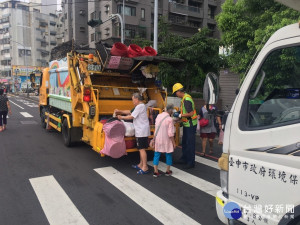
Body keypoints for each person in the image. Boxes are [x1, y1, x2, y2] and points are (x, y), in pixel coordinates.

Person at [115, 93, 150, 174]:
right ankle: (141, 164)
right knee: (141, 148)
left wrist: (121, 117)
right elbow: (130, 112)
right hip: (142, 130)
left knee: (141, 149)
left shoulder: (139, 107)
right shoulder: (141, 106)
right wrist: (119, 111)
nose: (132, 101)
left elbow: (131, 116)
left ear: (137, 99)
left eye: (133, 99)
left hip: (141, 131)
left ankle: (145, 167)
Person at [172, 83, 197, 169]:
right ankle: (184, 159)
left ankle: (190, 162)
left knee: (190, 144)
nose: (176, 94)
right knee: (185, 143)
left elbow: (190, 113)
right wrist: (180, 114)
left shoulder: (186, 99)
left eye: (176, 92)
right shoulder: (185, 98)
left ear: (179, 91)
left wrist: (179, 116)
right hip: (187, 124)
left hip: (190, 125)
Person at [153, 104, 176, 177]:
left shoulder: (158, 116)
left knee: (156, 155)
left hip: (158, 138)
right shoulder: (170, 119)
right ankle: (167, 171)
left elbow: (156, 127)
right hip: (166, 140)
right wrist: (174, 143)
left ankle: (155, 171)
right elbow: (170, 134)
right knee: (168, 154)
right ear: (171, 111)